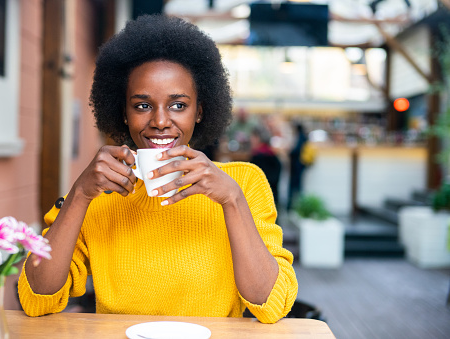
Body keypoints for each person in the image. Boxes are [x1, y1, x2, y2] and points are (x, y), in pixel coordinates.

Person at [18, 14, 297, 324]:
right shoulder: (99, 191)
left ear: (200, 111)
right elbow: (37, 298)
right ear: (123, 112)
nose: (161, 121)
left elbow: (271, 304)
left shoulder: (244, 182)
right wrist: (80, 194)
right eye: (142, 105)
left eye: (178, 105)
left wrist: (232, 199)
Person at [250, 126, 282, 206]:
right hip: (272, 196)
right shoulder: (272, 154)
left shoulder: (258, 156)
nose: (251, 140)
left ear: (258, 138)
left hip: (261, 199)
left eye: (253, 137)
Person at [287, 122, 308, 210]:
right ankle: (296, 206)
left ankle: (291, 206)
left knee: (294, 186)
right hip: (299, 165)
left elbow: (296, 151)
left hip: (297, 165)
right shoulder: (304, 137)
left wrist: (289, 152)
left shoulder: (300, 137)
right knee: (297, 186)